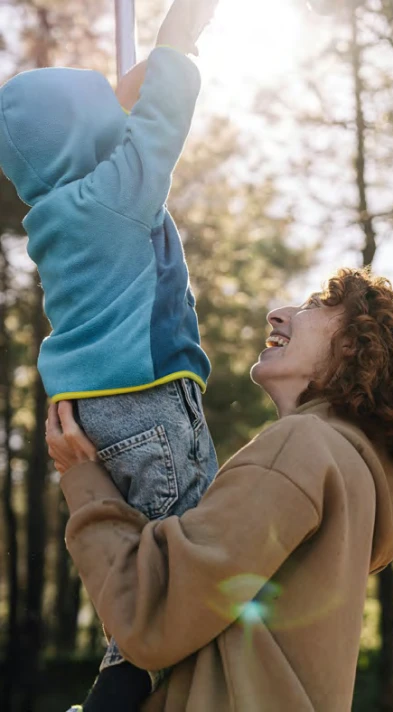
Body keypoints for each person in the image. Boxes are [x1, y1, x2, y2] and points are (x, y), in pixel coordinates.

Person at [47, 268, 393, 711]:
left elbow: (152, 615)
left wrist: (82, 477)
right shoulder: (356, 479)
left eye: (314, 306)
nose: (277, 315)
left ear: (354, 343)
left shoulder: (304, 447)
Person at [0, 0, 219, 708]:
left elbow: (112, 116)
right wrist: (175, 40)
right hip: (146, 401)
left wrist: (131, 80)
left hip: (112, 407)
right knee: (177, 559)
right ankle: (125, 690)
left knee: (148, 555)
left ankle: (124, 673)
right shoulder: (109, 198)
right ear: (84, 137)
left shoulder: (65, 208)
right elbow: (157, 127)